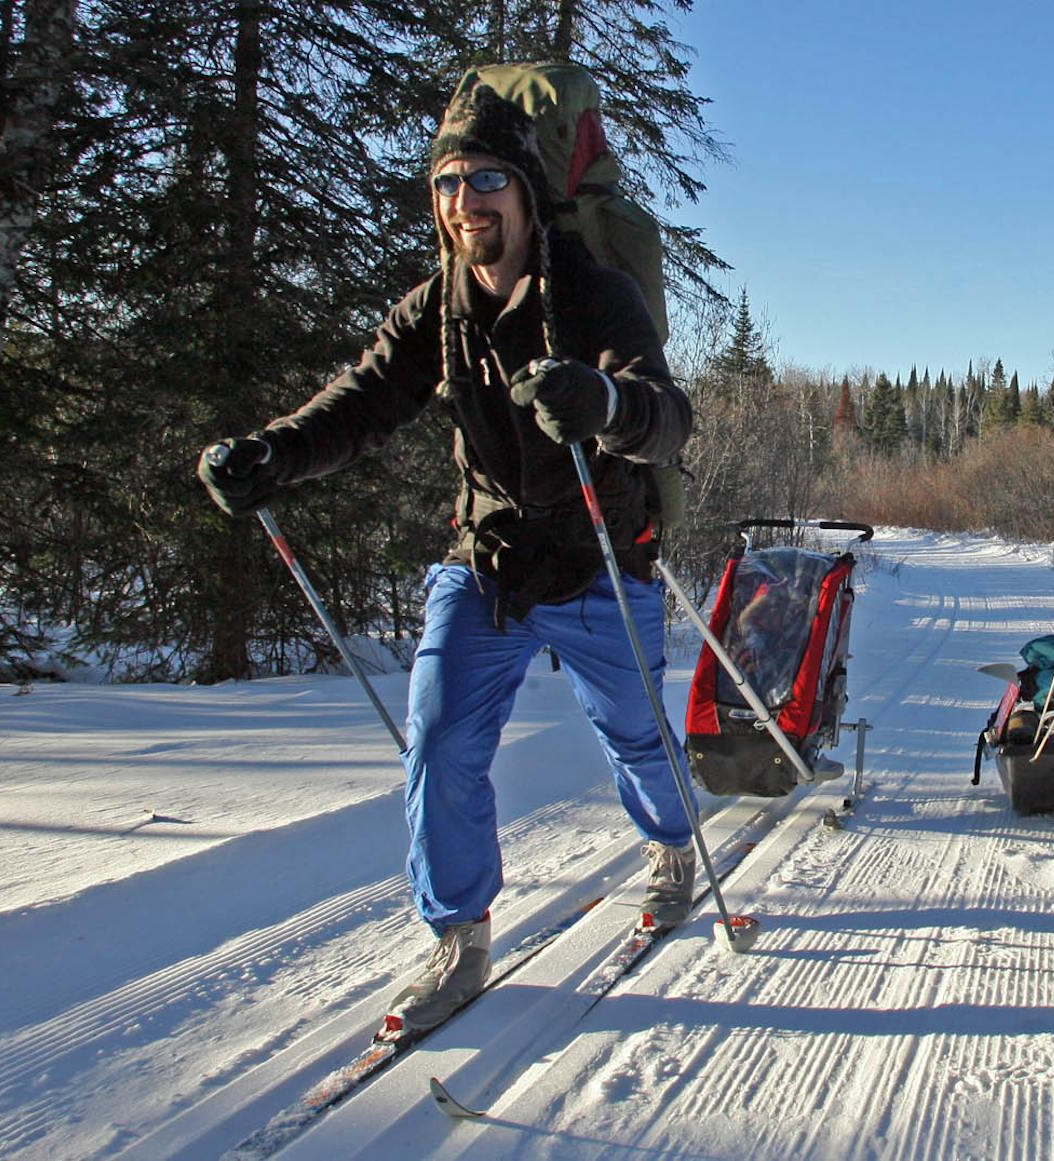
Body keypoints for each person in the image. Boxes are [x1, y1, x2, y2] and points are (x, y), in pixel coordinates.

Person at [196, 81, 697, 1042]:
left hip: (596, 557)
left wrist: (606, 402)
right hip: (489, 561)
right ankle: (460, 937)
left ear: (526, 192)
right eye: (449, 183)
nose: (466, 200)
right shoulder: (438, 306)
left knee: (636, 735)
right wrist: (272, 452)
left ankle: (672, 845)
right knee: (438, 741)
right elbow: (360, 401)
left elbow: (665, 417)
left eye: (487, 179)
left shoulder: (596, 292)